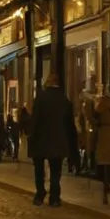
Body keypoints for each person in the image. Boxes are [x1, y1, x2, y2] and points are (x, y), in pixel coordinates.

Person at [29, 73, 76, 207]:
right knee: (56, 170)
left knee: (39, 169)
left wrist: (31, 136)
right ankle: (54, 197)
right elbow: (70, 125)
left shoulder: (41, 98)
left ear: (48, 83)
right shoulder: (64, 100)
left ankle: (40, 194)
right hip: (58, 142)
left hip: (40, 140)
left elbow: (35, 119)